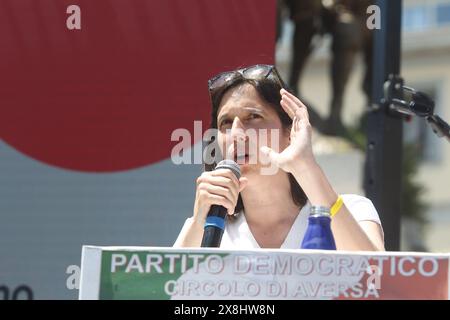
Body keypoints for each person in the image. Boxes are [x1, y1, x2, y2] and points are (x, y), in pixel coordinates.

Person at [174, 64, 384, 251]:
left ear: (290, 131)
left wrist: (306, 168)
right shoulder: (206, 229)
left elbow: (380, 285)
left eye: (253, 117)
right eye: (226, 123)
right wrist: (198, 223)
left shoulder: (354, 211)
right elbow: (164, 291)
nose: (236, 134)